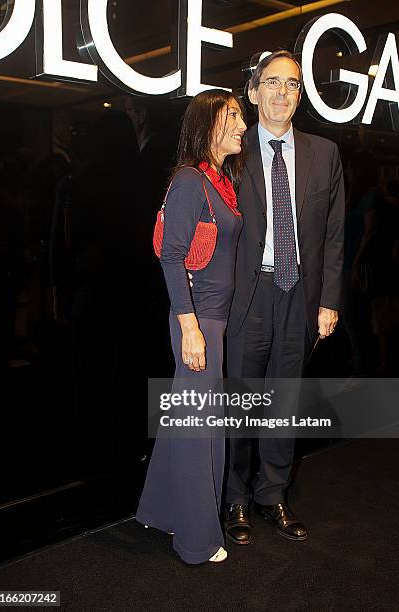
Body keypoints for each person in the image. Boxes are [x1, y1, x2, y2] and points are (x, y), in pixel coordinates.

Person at [225, 51, 345, 545]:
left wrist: (329, 300)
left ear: (300, 94)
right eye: (271, 82)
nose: (281, 92)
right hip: (247, 297)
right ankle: (234, 497)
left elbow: (335, 234)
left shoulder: (325, 154)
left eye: (291, 84)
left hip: (301, 294)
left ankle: (271, 495)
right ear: (253, 93)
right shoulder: (231, 152)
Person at [136, 89, 247, 564]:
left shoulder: (217, 179)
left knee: (190, 421)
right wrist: (190, 328)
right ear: (208, 127)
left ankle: (160, 510)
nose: (243, 126)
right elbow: (171, 256)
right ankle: (196, 541)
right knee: (200, 427)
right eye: (234, 117)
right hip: (197, 319)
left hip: (213, 320)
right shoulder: (188, 181)